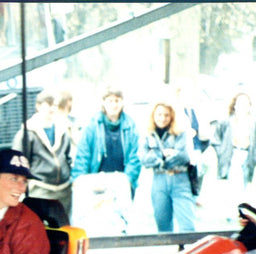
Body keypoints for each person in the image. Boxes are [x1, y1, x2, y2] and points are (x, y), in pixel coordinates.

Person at [71, 85, 141, 200]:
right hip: (97, 183)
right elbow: (83, 154)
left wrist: (128, 180)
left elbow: (135, 157)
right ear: (103, 102)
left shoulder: (131, 126)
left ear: (122, 102)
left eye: (117, 101)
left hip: (122, 182)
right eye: (110, 101)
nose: (114, 105)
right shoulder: (92, 126)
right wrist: (78, 178)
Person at [12, 89, 74, 216]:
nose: (52, 109)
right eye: (48, 105)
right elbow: (18, 164)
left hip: (64, 191)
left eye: (54, 106)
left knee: (64, 230)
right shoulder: (27, 133)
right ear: (38, 106)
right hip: (39, 190)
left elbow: (67, 157)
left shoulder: (63, 129)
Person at [141, 101, 195, 233]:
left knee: (187, 224)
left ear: (172, 116)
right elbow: (144, 159)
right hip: (159, 180)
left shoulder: (180, 133)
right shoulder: (148, 134)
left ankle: (186, 249)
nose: (162, 118)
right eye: (159, 114)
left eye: (166, 115)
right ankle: (169, 252)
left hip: (180, 178)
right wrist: (164, 154)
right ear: (153, 115)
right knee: (162, 224)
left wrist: (158, 157)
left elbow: (184, 156)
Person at [211, 92, 256, 191]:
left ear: (249, 106)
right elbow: (216, 140)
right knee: (229, 187)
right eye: (240, 103)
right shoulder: (226, 121)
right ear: (235, 105)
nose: (242, 106)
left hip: (248, 155)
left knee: (246, 187)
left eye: (246, 104)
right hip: (231, 155)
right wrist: (222, 152)